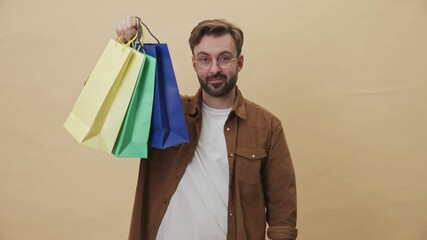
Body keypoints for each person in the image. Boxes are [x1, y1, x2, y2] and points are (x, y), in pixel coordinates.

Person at [116, 16, 298, 240]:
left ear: (239, 62)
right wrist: (125, 48)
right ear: (194, 63)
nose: (214, 69)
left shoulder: (267, 126)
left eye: (224, 58)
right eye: (204, 59)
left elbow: (283, 214)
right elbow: (115, 106)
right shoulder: (164, 113)